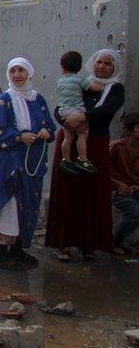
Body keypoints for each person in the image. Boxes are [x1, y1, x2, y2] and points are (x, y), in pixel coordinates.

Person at [46, 49, 126, 261]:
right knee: (67, 191)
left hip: (96, 144)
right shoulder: (79, 81)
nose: (102, 66)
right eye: (99, 61)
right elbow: (60, 105)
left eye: (108, 64)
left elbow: (107, 110)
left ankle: (88, 244)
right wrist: (65, 121)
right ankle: (62, 242)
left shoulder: (115, 89)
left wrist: (81, 117)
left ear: (114, 67)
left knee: (92, 192)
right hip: (70, 142)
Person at [0, 58, 56, 270]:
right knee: (8, 203)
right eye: (13, 71)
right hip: (10, 162)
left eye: (21, 71)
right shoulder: (5, 100)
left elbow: (51, 127)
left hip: (32, 163)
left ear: (29, 73)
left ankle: (18, 250)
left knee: (28, 203)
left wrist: (46, 132)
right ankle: (2, 254)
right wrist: (18, 137)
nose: (17, 75)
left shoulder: (38, 100)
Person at [55, 51, 102, 175]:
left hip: (63, 111)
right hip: (76, 111)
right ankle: (82, 159)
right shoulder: (80, 79)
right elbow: (96, 88)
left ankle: (66, 159)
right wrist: (101, 85)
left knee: (68, 137)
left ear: (62, 67)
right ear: (79, 67)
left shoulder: (59, 81)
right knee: (82, 134)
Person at [112, 113, 139, 254]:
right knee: (135, 213)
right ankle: (115, 241)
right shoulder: (119, 148)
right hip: (122, 192)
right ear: (130, 130)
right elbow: (104, 173)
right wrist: (118, 185)